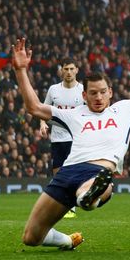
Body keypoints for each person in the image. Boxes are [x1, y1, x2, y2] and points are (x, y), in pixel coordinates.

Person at [12, 37, 130, 250]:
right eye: (93, 93)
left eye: (103, 92)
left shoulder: (125, 109)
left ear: (110, 92)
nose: (98, 97)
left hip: (97, 170)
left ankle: (88, 195)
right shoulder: (73, 114)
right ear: (84, 95)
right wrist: (20, 69)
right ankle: (68, 240)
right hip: (67, 173)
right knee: (31, 238)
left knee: (92, 187)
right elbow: (34, 107)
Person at [39, 57, 84, 218]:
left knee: (74, 171)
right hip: (58, 138)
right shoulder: (54, 90)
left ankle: (72, 205)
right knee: (59, 174)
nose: (69, 72)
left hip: (76, 138)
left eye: (72, 69)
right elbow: (43, 110)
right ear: (61, 71)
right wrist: (42, 124)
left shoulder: (83, 90)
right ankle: (63, 204)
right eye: (66, 69)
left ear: (77, 70)